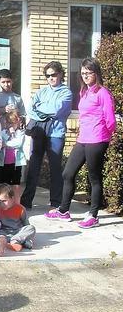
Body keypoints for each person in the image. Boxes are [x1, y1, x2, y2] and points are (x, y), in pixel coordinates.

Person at [44, 58, 116, 227]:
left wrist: (106, 137)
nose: (85, 76)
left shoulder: (102, 92)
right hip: (83, 139)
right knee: (67, 173)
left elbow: (110, 119)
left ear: (96, 73)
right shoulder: (84, 92)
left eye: (88, 72)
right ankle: (63, 211)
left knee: (94, 178)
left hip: (97, 140)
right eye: (82, 73)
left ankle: (93, 215)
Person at [20, 61, 73, 211]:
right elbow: (31, 109)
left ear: (61, 74)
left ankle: (56, 202)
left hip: (55, 134)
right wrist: (44, 112)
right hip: (39, 132)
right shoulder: (41, 92)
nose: (51, 78)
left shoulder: (66, 92)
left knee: (55, 169)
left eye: (54, 75)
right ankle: (27, 201)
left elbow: (57, 110)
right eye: (48, 76)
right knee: (33, 167)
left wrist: (41, 110)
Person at [0, 109, 27, 203]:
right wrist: (8, 136)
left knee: (15, 184)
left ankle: (16, 203)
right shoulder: (3, 132)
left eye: (13, 123)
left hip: (16, 162)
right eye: (8, 123)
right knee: (4, 183)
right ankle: (2, 201)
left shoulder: (20, 133)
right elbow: (1, 142)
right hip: (4, 163)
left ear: (18, 122)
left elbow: (18, 143)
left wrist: (9, 140)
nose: (10, 125)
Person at [0, 183, 36, 253]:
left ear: (12, 198)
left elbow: (26, 224)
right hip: (4, 232)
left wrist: (27, 234)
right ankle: (17, 242)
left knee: (31, 228)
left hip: (18, 231)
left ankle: (15, 241)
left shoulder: (20, 209)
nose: (1, 204)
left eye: (4, 201)